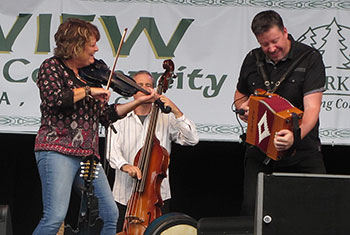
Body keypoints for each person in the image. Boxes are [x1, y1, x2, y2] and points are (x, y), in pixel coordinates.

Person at [33, 18, 155, 235]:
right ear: (75, 45)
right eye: (92, 44)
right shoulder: (51, 67)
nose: (97, 49)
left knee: (110, 214)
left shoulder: (90, 75)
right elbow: (55, 99)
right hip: (57, 151)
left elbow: (105, 116)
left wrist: (137, 101)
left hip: (87, 155)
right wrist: (89, 91)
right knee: (54, 217)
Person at [234, 10, 327, 216]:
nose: (271, 48)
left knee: (318, 210)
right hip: (260, 151)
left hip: (302, 150)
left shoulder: (309, 58)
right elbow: (240, 94)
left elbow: (312, 108)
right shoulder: (252, 59)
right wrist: (242, 108)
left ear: (285, 31)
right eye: (265, 44)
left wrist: (295, 136)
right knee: (253, 210)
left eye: (275, 41)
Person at [107, 70, 199, 232]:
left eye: (148, 85)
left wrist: (176, 111)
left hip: (158, 199)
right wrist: (125, 166)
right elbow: (111, 152)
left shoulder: (165, 118)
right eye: (139, 85)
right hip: (124, 196)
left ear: (154, 90)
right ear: (133, 91)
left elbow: (192, 139)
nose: (144, 88)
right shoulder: (120, 118)